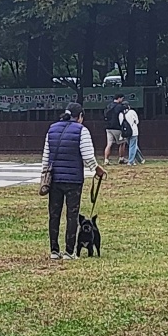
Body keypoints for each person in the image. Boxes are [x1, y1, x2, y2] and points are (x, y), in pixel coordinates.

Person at [43, 103, 106, 259]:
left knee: (54, 214)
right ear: (80, 117)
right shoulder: (81, 131)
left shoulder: (52, 129)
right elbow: (87, 156)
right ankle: (69, 252)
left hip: (55, 179)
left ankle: (54, 250)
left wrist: (45, 176)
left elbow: (46, 156)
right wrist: (97, 169)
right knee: (72, 215)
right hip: (73, 180)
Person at [102, 94, 126, 165]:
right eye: (122, 99)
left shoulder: (108, 106)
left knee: (109, 144)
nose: (122, 100)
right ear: (119, 98)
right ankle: (121, 158)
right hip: (117, 127)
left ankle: (106, 159)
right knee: (122, 143)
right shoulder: (120, 107)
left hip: (108, 127)